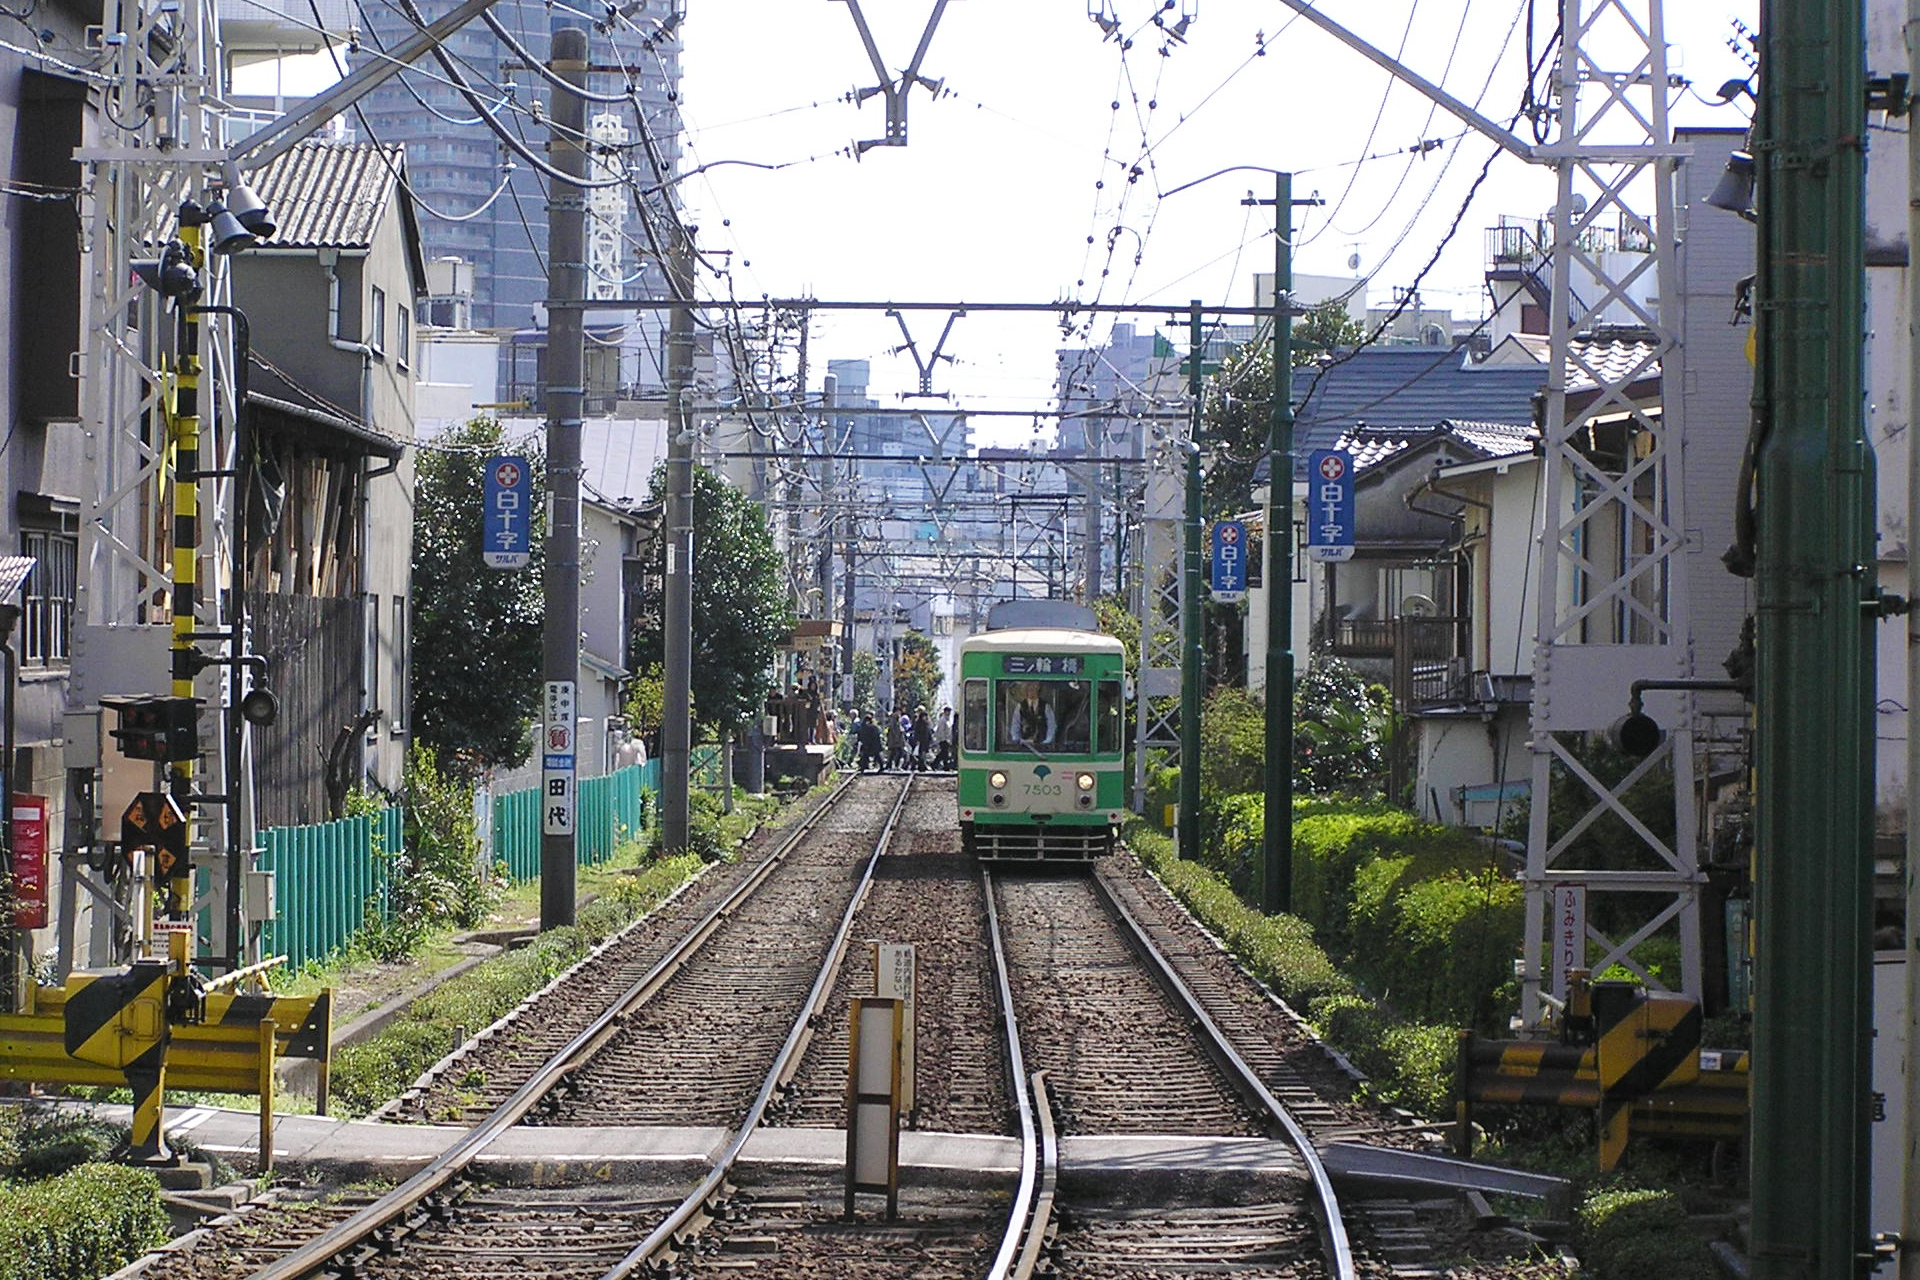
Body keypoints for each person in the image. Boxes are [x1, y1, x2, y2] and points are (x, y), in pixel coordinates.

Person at [1011, 683, 1055, 747]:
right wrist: (1016, 739)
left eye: (1034, 689)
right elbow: (1015, 724)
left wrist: (1047, 741)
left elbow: (1051, 725)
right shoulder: (1020, 706)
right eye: (1030, 689)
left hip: (1041, 745)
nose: (1032, 692)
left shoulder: (1046, 706)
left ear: (1038, 690)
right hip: (1024, 745)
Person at [911, 706, 934, 771]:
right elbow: (917, 732)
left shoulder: (927, 723)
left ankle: (921, 765)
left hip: (926, 740)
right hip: (921, 740)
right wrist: (917, 740)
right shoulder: (918, 722)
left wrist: (930, 739)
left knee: (923, 754)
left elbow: (929, 731)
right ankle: (921, 766)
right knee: (921, 754)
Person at [935, 706, 954, 770]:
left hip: (947, 739)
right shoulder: (942, 720)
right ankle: (940, 765)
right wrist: (943, 739)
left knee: (944, 753)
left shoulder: (948, 719)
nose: (949, 713)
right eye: (948, 711)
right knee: (944, 753)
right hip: (943, 739)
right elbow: (941, 730)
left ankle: (944, 766)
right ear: (945, 712)